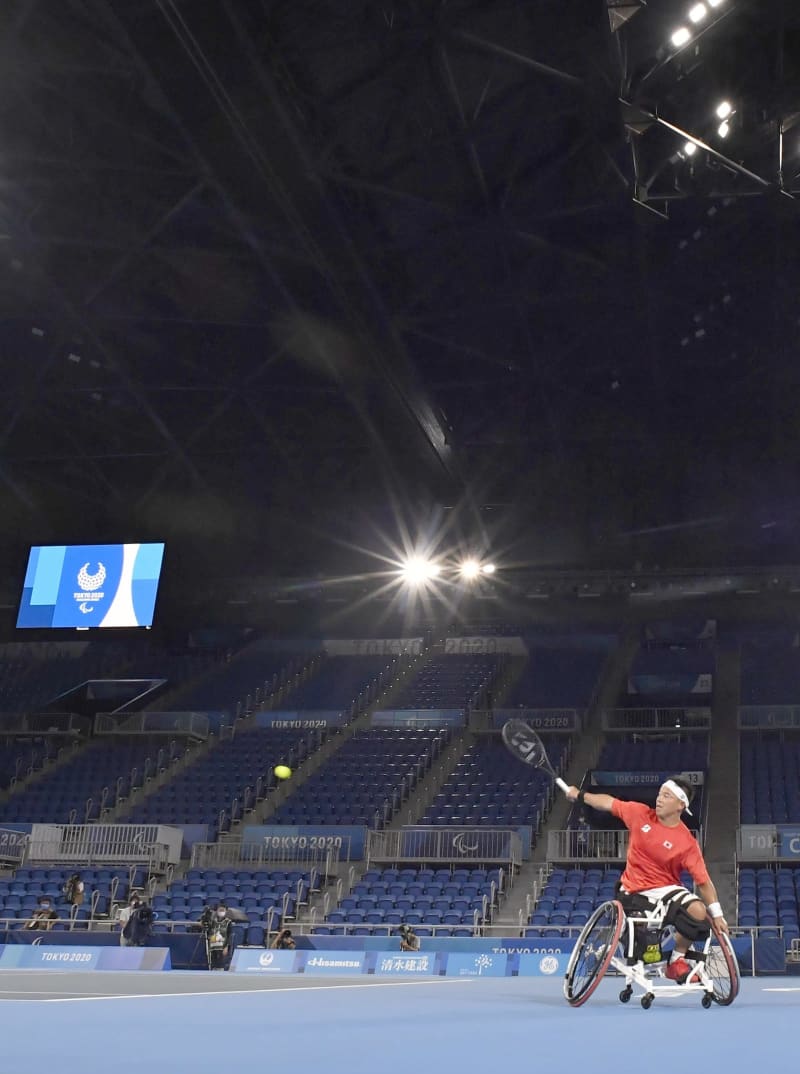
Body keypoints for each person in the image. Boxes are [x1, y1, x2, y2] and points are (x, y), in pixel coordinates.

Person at [566, 775, 728, 983]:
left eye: (666, 796)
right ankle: (634, 944)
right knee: (644, 945)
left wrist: (718, 915)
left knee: (698, 910)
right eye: (660, 794)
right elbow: (608, 803)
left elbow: (703, 881)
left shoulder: (687, 842)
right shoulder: (639, 813)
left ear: (681, 805)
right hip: (633, 890)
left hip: (666, 890)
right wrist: (580, 795)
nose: (659, 799)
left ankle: (676, 960)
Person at [204, 903, 233, 971]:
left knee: (221, 965)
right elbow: (206, 926)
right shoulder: (213, 921)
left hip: (222, 946)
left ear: (226, 911)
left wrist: (226, 947)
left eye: (223, 910)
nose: (221, 912)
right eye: (220, 910)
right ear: (217, 911)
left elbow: (229, 934)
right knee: (214, 965)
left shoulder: (228, 922)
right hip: (213, 945)